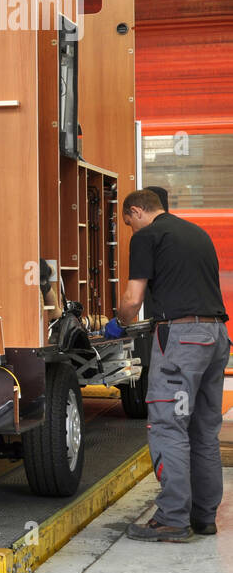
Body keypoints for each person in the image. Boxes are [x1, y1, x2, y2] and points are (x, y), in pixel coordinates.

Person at [110, 188, 229, 542]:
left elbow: (133, 299)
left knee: (167, 426)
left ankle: (172, 520)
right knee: (204, 432)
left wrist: (119, 322)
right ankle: (203, 517)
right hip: (216, 336)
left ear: (137, 211)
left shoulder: (148, 236)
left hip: (182, 342)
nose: (132, 229)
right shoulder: (197, 233)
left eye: (129, 222)